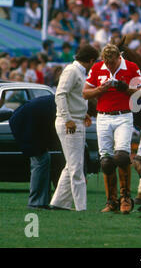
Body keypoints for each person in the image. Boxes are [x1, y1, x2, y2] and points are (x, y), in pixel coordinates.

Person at [82, 43, 141, 214]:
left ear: (119, 57)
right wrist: (100, 90)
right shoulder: (97, 68)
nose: (109, 66)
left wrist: (124, 88)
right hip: (103, 117)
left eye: (113, 63)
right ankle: (112, 201)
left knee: (122, 156)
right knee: (106, 161)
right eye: (107, 63)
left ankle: (126, 198)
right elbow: (85, 93)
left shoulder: (130, 67)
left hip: (123, 115)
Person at [50, 45, 99, 211]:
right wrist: (68, 118)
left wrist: (82, 113)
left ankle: (58, 203)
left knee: (71, 165)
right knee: (77, 167)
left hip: (76, 120)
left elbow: (71, 96)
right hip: (70, 123)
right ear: (91, 60)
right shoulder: (72, 71)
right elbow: (60, 94)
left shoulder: (76, 71)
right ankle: (81, 207)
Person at [9, 95, 58, 209]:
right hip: (26, 124)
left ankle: (43, 201)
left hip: (28, 121)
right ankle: (36, 203)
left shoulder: (57, 100)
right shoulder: (60, 104)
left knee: (44, 160)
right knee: (40, 161)